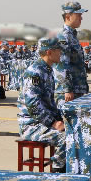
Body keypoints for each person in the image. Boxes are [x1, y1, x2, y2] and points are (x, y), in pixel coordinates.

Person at [16, 37, 67, 170]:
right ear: (49, 52)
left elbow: (49, 103)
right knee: (68, 138)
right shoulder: (35, 72)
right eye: (58, 50)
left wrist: (61, 119)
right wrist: (54, 123)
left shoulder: (47, 70)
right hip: (31, 125)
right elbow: (33, 105)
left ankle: (62, 165)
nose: (60, 53)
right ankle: (57, 172)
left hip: (42, 122)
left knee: (75, 130)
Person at [54, 1, 89, 105]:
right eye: (78, 15)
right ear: (68, 16)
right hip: (69, 92)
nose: (81, 18)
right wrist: (67, 89)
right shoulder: (64, 36)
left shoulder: (72, 35)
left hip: (77, 89)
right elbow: (62, 64)